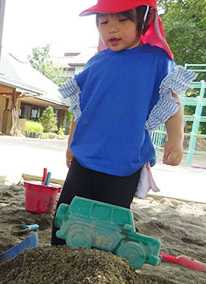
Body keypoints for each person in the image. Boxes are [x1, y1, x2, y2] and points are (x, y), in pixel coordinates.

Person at [51, 0, 197, 245]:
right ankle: (55, 263)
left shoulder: (155, 60)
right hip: (85, 159)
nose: (112, 29)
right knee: (65, 218)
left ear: (145, 20)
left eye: (123, 19)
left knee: (110, 226)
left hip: (125, 162)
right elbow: (80, 109)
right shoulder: (95, 63)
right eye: (104, 22)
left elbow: (172, 100)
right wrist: (70, 145)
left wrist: (176, 139)